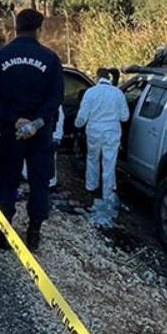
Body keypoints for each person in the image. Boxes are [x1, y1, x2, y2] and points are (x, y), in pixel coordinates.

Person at [0, 9, 64, 251]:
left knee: (7, 180)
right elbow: (56, 97)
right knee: (39, 181)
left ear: (15, 28)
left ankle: (5, 231)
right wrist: (36, 122)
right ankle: (34, 231)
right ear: (39, 29)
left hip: (11, 131)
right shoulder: (50, 59)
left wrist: (15, 120)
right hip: (40, 133)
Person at [74, 68, 130, 227]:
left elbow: (82, 116)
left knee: (92, 158)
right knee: (109, 163)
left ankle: (91, 186)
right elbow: (125, 117)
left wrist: (77, 125)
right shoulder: (118, 93)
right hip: (112, 132)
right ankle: (107, 193)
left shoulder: (90, 93)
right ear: (109, 77)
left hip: (94, 131)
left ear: (97, 77)